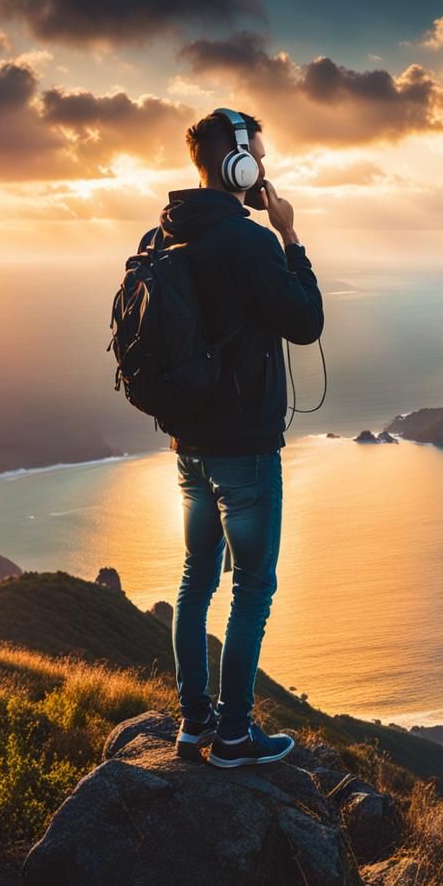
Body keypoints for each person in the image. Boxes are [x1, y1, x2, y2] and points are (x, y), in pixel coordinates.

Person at [148, 109, 323, 767]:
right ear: (239, 164)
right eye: (259, 158)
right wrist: (291, 238)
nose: (265, 170)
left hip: (188, 443)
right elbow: (305, 321)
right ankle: (233, 737)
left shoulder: (166, 234)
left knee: (197, 577)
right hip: (244, 448)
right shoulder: (248, 241)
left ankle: (194, 724)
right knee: (253, 586)